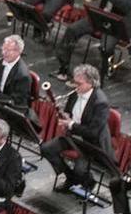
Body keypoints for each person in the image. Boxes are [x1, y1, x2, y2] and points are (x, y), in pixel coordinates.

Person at [39, 64, 113, 193]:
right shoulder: (75, 93)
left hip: (91, 144)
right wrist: (66, 115)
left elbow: (93, 132)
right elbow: (68, 111)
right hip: (73, 137)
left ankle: (88, 182)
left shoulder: (101, 103)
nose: (76, 86)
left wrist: (71, 124)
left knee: (80, 170)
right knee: (46, 149)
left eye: (79, 83)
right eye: (75, 82)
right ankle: (70, 177)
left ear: (91, 83)